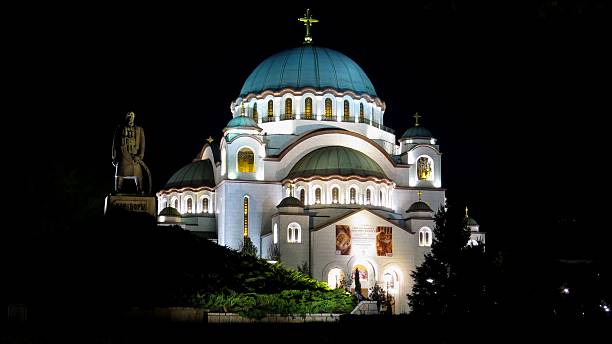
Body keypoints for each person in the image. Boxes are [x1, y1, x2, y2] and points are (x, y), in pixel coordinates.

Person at [112, 111, 146, 193]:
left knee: (138, 174)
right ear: (126, 118)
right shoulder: (119, 128)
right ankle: (118, 190)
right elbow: (115, 144)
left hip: (134, 154)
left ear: (134, 118)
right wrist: (114, 157)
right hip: (123, 153)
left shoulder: (139, 129)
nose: (130, 118)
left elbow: (142, 143)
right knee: (120, 172)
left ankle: (140, 189)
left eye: (132, 116)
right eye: (129, 116)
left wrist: (140, 155)